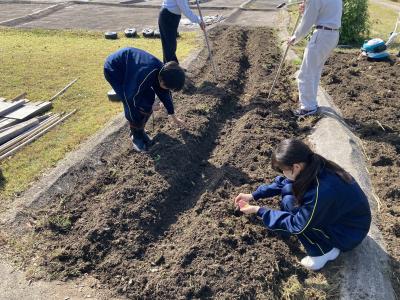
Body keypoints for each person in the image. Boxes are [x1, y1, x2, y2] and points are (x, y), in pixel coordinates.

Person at [234, 139, 371, 271]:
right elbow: (283, 182)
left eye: (283, 170)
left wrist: (259, 211)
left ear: (296, 167)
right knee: (288, 196)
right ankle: (324, 244)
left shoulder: (321, 191)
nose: (282, 173)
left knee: (296, 214)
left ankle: (323, 252)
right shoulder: (312, 165)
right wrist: (253, 195)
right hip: (343, 219)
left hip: (349, 233)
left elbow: (297, 225)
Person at [104, 47, 186, 152]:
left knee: (148, 98)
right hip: (116, 71)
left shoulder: (163, 72)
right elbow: (131, 98)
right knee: (132, 103)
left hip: (131, 68)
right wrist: (149, 107)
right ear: (162, 81)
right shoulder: (145, 74)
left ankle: (140, 130)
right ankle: (135, 136)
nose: (168, 90)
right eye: (168, 87)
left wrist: (173, 116)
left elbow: (165, 93)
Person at [288, 0, 342, 117]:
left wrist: (295, 38)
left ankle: (308, 107)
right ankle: (311, 103)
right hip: (332, 35)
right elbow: (322, 12)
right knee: (315, 71)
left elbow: (308, 21)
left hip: (322, 35)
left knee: (306, 73)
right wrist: (307, 8)